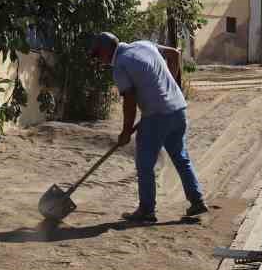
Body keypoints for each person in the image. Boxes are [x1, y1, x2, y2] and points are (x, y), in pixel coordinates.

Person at [88, 32, 208, 223]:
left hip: (156, 117)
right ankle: (197, 201)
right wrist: (172, 88)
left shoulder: (120, 65)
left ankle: (146, 211)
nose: (99, 60)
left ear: (105, 50)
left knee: (145, 164)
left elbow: (129, 100)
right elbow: (174, 54)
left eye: (97, 55)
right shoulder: (143, 44)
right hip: (178, 109)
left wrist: (126, 131)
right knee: (180, 157)